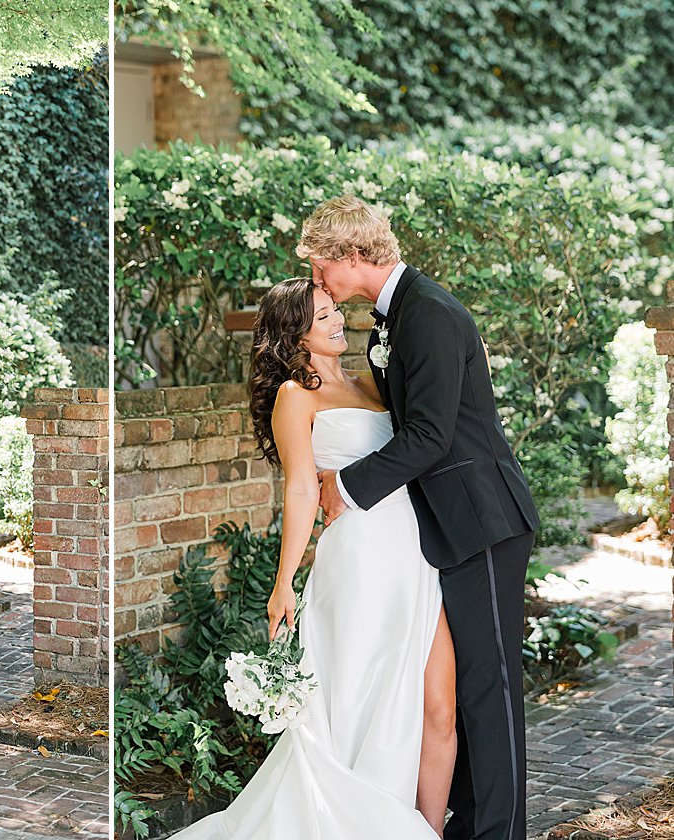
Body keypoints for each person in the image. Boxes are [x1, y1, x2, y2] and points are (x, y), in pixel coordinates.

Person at [168, 278, 454, 840]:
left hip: (415, 556)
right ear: (293, 333)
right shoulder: (295, 396)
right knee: (354, 706)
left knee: (438, 704)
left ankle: (427, 831)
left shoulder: (376, 384)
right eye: (322, 316)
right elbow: (300, 489)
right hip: (357, 565)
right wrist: (283, 585)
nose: (337, 321)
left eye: (335, 312)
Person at [307, 196, 539, 840]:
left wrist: (345, 487)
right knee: (465, 689)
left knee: (489, 689)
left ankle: (502, 832)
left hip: (483, 519)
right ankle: (470, 825)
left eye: (324, 263)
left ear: (355, 256)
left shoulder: (427, 314)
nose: (319, 276)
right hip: (448, 525)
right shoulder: (398, 315)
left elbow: (432, 435)